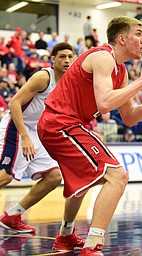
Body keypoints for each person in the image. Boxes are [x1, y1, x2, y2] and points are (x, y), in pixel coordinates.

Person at [37, 16, 142, 255]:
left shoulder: (120, 71)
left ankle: (66, 236)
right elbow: (104, 103)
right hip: (60, 124)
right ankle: (92, 246)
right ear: (122, 39)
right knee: (117, 176)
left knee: (80, 184)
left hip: (66, 125)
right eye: (138, 34)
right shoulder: (102, 57)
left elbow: (130, 117)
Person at [0, 43, 74, 233]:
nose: (66, 60)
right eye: (62, 57)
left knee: (54, 176)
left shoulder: (69, 83)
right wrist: (25, 136)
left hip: (37, 132)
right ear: (53, 59)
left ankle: (13, 216)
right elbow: (14, 103)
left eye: (70, 57)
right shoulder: (43, 77)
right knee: (6, 175)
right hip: (17, 126)